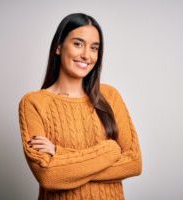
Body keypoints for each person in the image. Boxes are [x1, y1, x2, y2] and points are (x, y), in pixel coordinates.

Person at [18, 12, 142, 200]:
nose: (86, 55)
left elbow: (133, 163)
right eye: (78, 44)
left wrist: (60, 156)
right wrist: (111, 150)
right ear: (59, 47)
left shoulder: (110, 96)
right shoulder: (33, 103)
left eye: (94, 48)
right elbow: (49, 176)